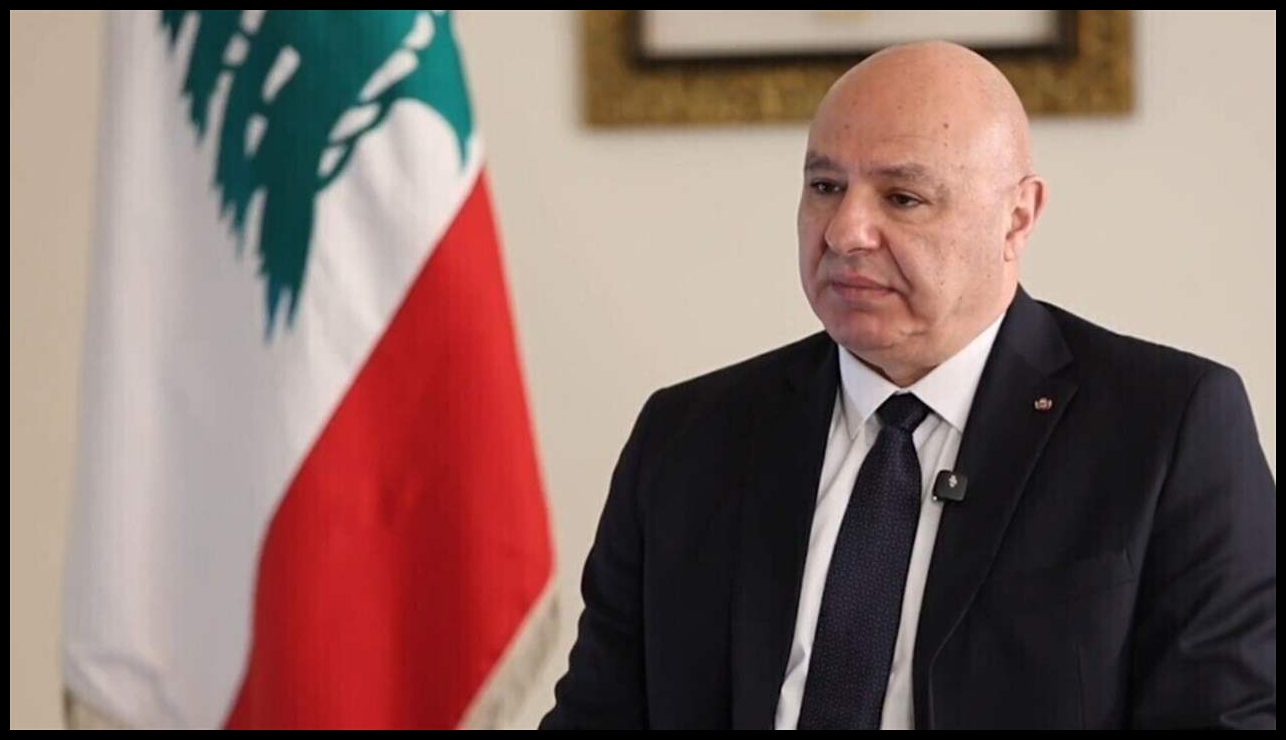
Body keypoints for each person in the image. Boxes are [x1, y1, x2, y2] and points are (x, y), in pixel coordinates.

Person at [540, 41, 1276, 730]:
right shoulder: (688, 437)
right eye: (825, 186)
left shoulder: (1167, 428)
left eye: (902, 198)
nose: (844, 232)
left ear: (1017, 217)